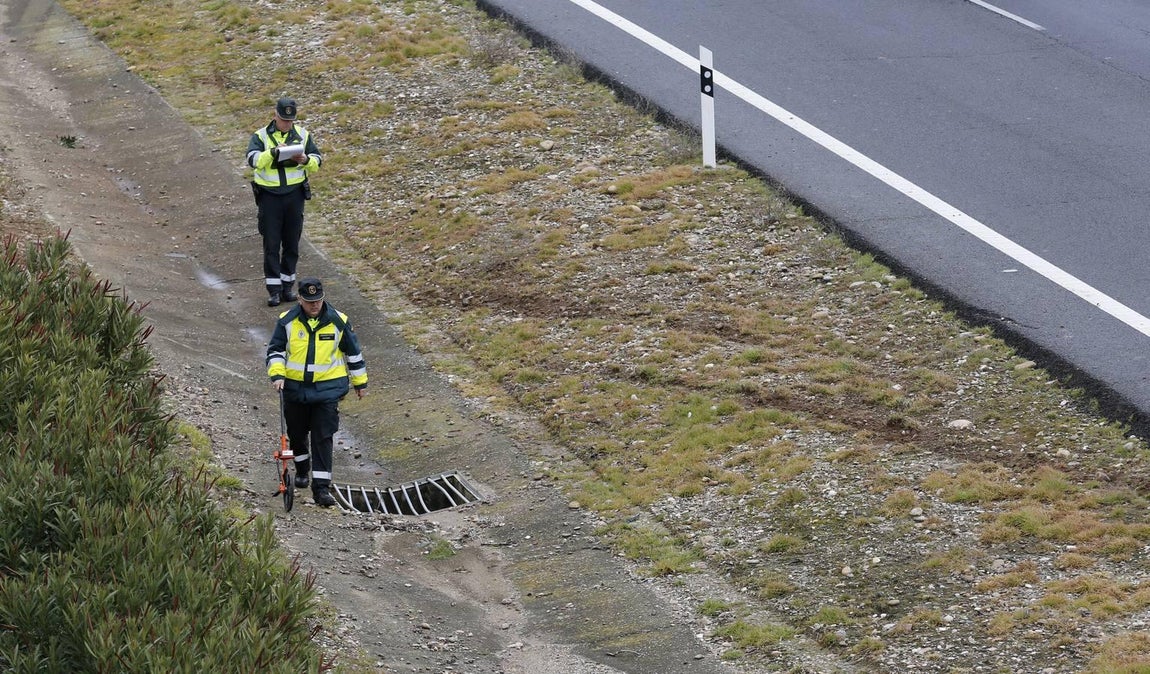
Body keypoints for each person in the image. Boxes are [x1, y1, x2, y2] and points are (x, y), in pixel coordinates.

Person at [266, 278, 367, 507]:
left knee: (323, 437)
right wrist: (278, 375)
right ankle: (302, 467)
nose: (315, 305)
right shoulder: (287, 322)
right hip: (295, 390)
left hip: (327, 391)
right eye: (310, 301)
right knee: (297, 434)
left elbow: (354, 354)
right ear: (300, 299)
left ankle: (321, 489)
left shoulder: (338, 321)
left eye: (318, 300)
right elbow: (275, 351)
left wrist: (361, 384)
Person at [247, 97, 322, 306]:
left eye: (290, 121)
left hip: (294, 196)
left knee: (292, 243)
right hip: (270, 197)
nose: (287, 124)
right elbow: (253, 160)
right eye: (283, 120)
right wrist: (273, 153)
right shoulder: (261, 136)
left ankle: (288, 286)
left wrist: (306, 160)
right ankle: (274, 290)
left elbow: (318, 160)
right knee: (271, 243)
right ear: (275, 116)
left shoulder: (302, 135)